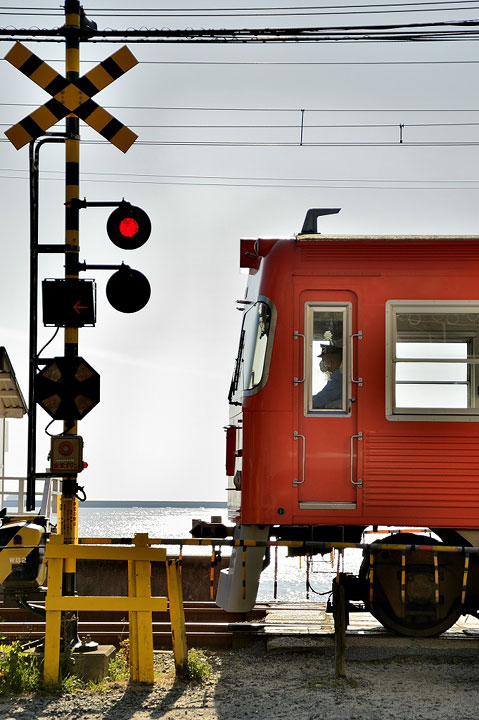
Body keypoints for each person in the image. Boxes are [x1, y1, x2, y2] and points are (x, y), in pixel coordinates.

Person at [312, 345, 343, 409]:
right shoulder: (336, 376)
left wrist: (305, 402)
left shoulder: (337, 379)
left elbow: (321, 400)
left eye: (324, 360)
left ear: (331, 361)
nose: (322, 363)